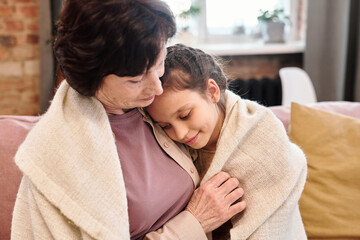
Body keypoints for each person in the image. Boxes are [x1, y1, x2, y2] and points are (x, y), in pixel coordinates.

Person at [11, 2, 246, 240]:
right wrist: (195, 221)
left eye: (159, 63)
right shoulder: (62, 155)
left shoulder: (152, 104)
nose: (156, 87)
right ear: (91, 80)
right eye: (135, 80)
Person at [146, 44, 308, 239]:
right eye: (165, 126)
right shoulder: (171, 150)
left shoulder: (261, 132)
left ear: (212, 91)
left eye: (185, 115)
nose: (180, 134)